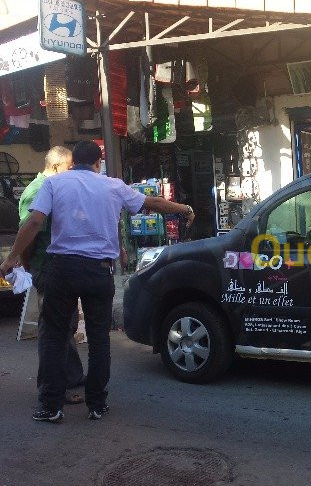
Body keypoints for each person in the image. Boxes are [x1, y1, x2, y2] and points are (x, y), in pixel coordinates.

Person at [0, 141, 194, 423]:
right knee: (99, 340)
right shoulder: (113, 186)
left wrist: (11, 259)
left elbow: (32, 223)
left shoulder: (54, 185)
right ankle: (96, 404)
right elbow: (153, 203)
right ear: (98, 163)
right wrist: (185, 208)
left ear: (73, 161)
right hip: (98, 272)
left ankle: (51, 406)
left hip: (62, 270)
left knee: (54, 338)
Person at [18, 146, 85, 405]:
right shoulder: (37, 191)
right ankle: (53, 388)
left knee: (65, 326)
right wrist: (29, 267)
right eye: (69, 168)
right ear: (57, 167)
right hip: (46, 268)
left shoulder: (54, 188)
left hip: (59, 269)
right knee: (53, 331)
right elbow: (29, 234)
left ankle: (72, 377)